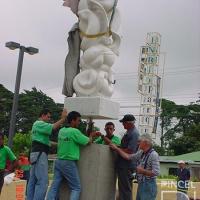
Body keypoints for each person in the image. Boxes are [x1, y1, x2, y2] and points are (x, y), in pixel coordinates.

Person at [47, 111, 101, 200]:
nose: (79, 123)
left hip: (59, 161)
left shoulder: (62, 130)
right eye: (78, 120)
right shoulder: (74, 131)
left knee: (54, 186)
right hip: (68, 162)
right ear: (73, 121)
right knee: (76, 188)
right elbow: (88, 141)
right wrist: (91, 135)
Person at [27, 108, 67, 200]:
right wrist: (63, 119)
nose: (49, 119)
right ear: (43, 115)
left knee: (33, 180)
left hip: (35, 153)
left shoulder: (37, 126)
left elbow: (45, 141)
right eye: (48, 117)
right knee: (43, 181)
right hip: (40, 153)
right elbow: (53, 127)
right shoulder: (39, 123)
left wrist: (58, 144)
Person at [110, 134, 160, 200]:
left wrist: (142, 171)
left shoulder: (154, 155)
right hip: (142, 184)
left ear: (146, 142)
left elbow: (156, 172)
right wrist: (116, 149)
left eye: (140, 141)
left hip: (148, 185)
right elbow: (128, 157)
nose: (138, 143)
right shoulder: (141, 152)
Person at [115, 114, 139, 200]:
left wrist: (117, 149)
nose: (123, 124)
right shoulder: (129, 132)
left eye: (124, 123)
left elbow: (130, 150)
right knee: (123, 188)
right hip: (123, 165)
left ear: (129, 123)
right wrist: (118, 147)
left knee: (125, 189)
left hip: (126, 165)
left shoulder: (134, 133)